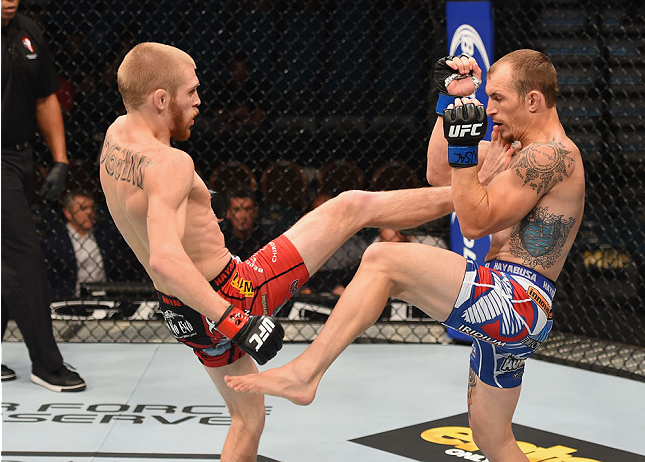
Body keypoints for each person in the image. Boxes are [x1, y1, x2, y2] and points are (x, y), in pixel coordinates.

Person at [100, 42, 454, 462]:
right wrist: (235, 320)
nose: (199, 101)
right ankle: (472, 195)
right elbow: (165, 257)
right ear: (161, 99)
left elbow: (159, 247)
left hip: (181, 310)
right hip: (231, 294)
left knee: (248, 419)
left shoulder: (116, 136)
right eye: (190, 92)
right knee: (352, 206)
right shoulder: (170, 164)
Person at [225, 50, 585, 462]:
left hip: (517, 298)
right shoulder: (516, 150)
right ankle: (306, 374)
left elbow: (473, 222)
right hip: (511, 304)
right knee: (492, 438)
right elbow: (437, 171)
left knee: (383, 259)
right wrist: (449, 103)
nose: (489, 109)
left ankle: (307, 373)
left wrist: (468, 153)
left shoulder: (551, 156)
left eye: (498, 99)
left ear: (534, 101)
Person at [0, 0, 86, 391]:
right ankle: (46, 364)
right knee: (24, 256)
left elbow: (45, 96)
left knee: (6, 258)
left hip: (20, 157)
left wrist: (60, 160)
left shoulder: (28, 30)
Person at [42, 191, 121, 300]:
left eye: (92, 207)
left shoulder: (104, 236)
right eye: (83, 208)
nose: (90, 212)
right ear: (68, 213)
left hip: (104, 298)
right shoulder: (55, 241)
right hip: (69, 299)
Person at [299, 192, 368, 296]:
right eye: (319, 213)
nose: (324, 218)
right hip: (311, 295)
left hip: (345, 295)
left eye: (328, 213)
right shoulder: (303, 243)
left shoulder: (354, 244)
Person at [218, 186, 273, 261]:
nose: (243, 216)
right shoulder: (220, 241)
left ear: (255, 212)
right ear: (228, 213)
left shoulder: (266, 242)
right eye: (237, 209)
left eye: (248, 209)